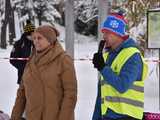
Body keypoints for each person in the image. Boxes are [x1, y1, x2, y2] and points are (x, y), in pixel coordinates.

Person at [11, 25, 77, 120]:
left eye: (39, 38)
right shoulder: (31, 61)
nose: (36, 41)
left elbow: (70, 94)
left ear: (50, 40)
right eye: (34, 38)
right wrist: (15, 117)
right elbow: (22, 92)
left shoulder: (63, 60)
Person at [92, 12, 148, 120]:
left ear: (117, 33)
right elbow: (102, 94)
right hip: (107, 116)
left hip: (127, 116)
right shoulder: (108, 56)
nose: (104, 36)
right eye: (103, 32)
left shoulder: (132, 55)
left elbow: (122, 86)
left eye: (107, 33)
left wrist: (103, 68)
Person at [10, 20, 35, 84]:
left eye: (35, 33)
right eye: (32, 33)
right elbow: (12, 60)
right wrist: (25, 67)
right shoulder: (19, 44)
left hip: (36, 77)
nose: (34, 35)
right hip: (23, 77)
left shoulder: (37, 43)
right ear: (27, 34)